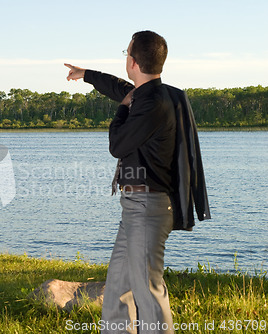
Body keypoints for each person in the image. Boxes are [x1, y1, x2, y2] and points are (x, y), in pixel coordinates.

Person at [65, 31, 177, 334]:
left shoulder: (151, 103)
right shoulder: (148, 94)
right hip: (136, 207)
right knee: (118, 287)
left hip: (147, 207)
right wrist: (86, 74)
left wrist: (122, 109)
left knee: (148, 290)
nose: (125, 57)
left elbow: (118, 144)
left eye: (125, 52)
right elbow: (120, 88)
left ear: (132, 61)